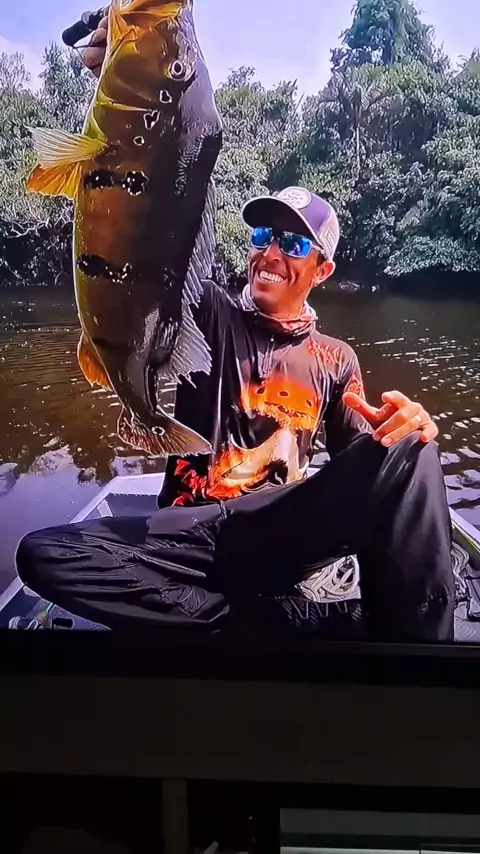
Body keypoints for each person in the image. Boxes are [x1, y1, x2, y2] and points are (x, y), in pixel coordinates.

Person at [14, 20, 455, 642]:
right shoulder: (209, 312)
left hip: (279, 529)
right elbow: (168, 210)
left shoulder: (335, 359)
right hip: (193, 533)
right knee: (45, 554)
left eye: (293, 243)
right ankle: (274, 626)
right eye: (263, 235)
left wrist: (404, 430)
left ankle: (420, 664)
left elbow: (365, 482)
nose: (271, 252)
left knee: (416, 450)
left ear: (322, 270)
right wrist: (129, 92)